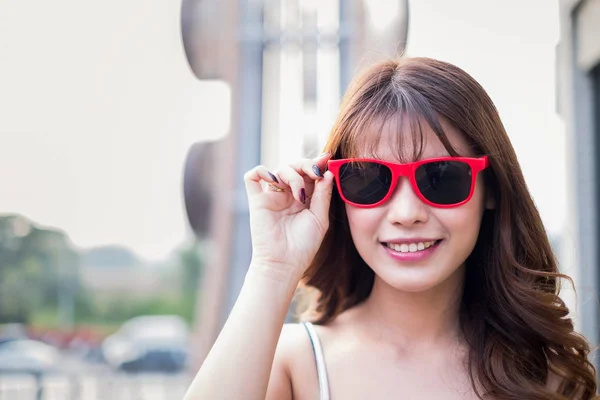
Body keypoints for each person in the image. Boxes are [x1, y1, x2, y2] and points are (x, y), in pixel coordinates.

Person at [183, 57, 598, 399]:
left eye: (441, 177)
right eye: (369, 179)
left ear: (490, 189)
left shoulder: (545, 375)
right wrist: (273, 269)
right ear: (337, 193)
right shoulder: (295, 365)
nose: (406, 212)